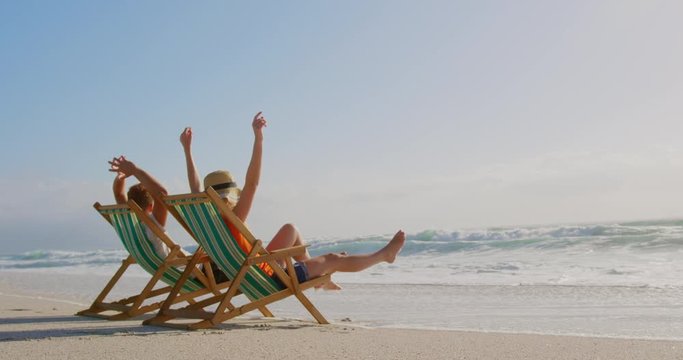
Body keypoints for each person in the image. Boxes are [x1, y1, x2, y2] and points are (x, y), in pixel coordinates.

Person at [180, 112, 405, 290]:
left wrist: (187, 151)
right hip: (266, 275)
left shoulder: (206, 219)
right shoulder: (233, 216)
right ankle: (383, 256)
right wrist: (258, 139)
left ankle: (319, 279)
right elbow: (252, 183)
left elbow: (195, 188)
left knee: (291, 230)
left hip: (250, 269)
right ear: (230, 196)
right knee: (333, 258)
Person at [108, 156, 186, 259]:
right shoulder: (152, 224)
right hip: (194, 269)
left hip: (163, 271)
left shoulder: (127, 224)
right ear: (150, 207)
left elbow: (119, 194)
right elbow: (162, 195)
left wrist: (120, 176)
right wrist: (134, 170)